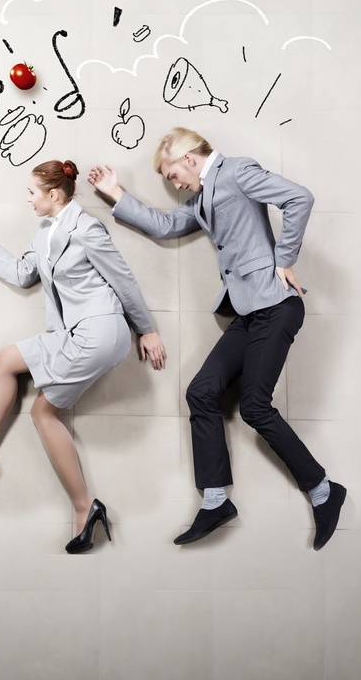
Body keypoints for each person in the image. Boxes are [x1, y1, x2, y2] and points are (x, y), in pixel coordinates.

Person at [88, 127, 346, 550]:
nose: (175, 184)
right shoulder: (205, 196)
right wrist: (116, 192)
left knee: (254, 408)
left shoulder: (238, 171)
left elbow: (300, 197)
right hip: (248, 313)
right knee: (201, 392)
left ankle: (322, 490)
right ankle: (215, 501)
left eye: (172, 175)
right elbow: (167, 224)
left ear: (189, 158)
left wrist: (284, 259)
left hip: (276, 306)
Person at [0, 159, 167, 553]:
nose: (28, 199)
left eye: (32, 193)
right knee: (22, 384)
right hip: (79, 333)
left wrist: (146, 329)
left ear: (54, 195)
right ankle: (83, 506)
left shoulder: (87, 228)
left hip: (99, 331)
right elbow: (25, 273)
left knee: (27, 390)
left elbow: (122, 277)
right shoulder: (46, 231)